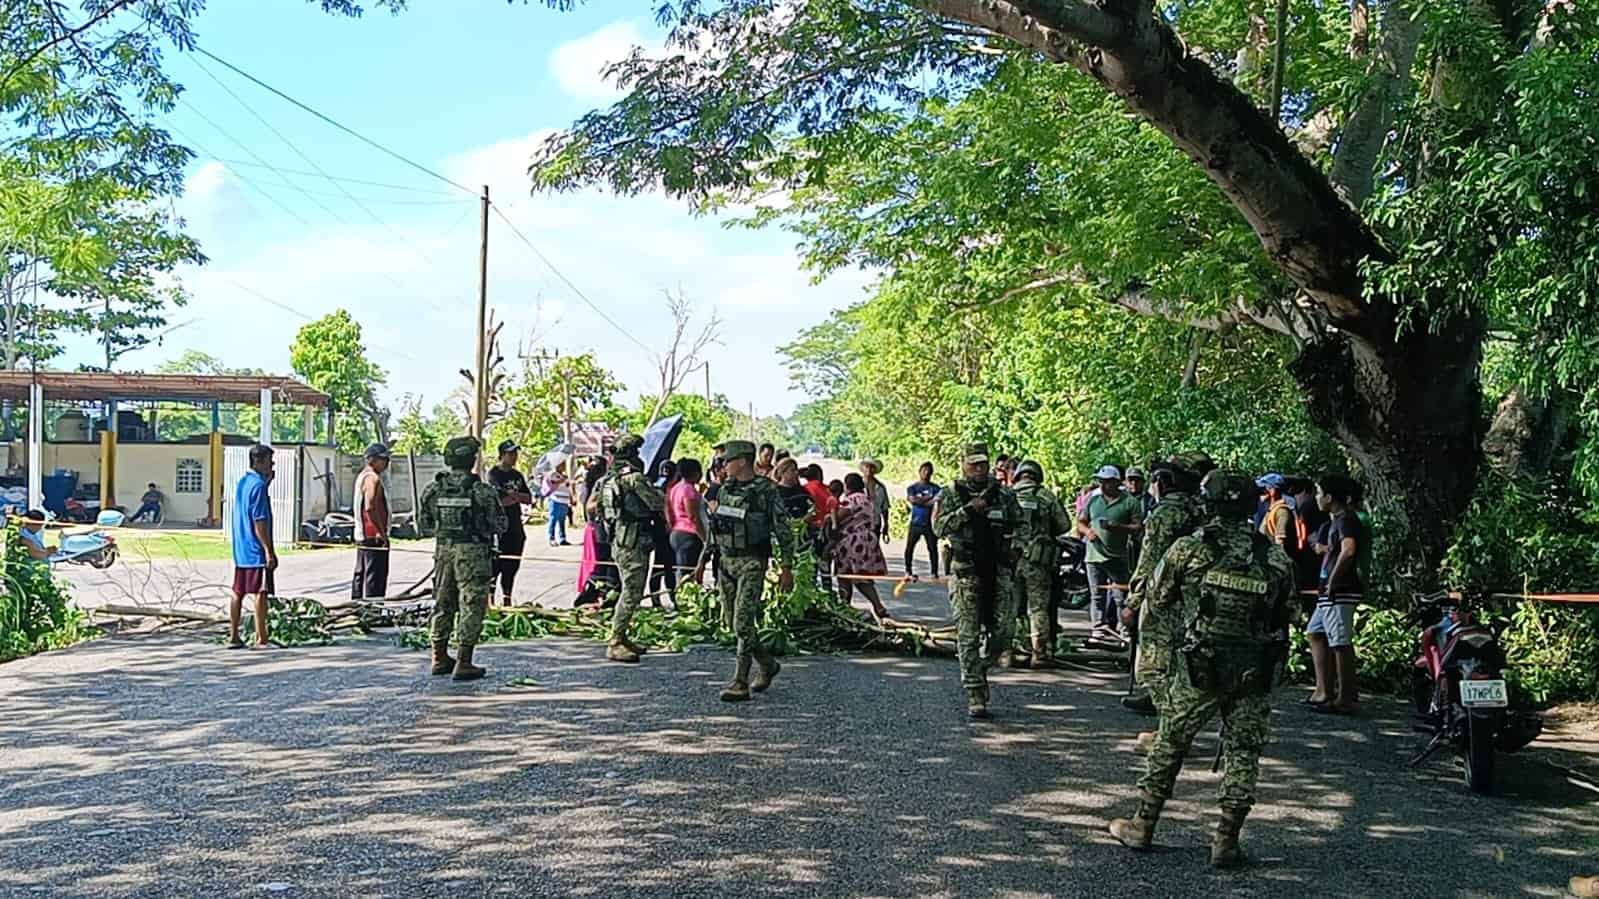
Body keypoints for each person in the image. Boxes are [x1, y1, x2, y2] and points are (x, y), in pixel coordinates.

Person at [1108, 470, 1294, 868]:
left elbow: (1159, 597)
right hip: (1253, 670)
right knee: (1243, 751)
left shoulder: (1188, 549)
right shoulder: (1274, 558)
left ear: (1208, 504)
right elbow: (1286, 613)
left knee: (1170, 742)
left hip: (1200, 667)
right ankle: (1226, 839)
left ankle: (1143, 825)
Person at [933, 442, 1022, 719]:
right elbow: (938, 527)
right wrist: (967, 511)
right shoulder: (950, 494)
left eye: (983, 464)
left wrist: (1017, 549)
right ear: (963, 465)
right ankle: (974, 691)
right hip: (966, 570)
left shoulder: (1004, 494)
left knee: (1005, 631)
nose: (979, 469)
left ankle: (981, 667)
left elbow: (1021, 524)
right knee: (967, 635)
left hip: (997, 569)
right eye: (973, 464)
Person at [1121, 457, 1209, 737]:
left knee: (1154, 667)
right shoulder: (1204, 510)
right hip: (1197, 599)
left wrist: (1133, 602)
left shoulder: (1166, 513)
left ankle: (1169, 733)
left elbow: (1150, 559)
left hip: (1165, 597)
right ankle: (1169, 720)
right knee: (1182, 664)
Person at [706, 440, 796, 702]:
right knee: (734, 623)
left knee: (743, 622)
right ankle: (767, 664)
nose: (723, 465)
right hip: (726, 561)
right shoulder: (725, 489)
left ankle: (740, 681)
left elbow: (783, 529)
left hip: (752, 561)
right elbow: (716, 528)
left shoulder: (766, 490)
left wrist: (786, 567)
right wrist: (703, 561)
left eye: (728, 460)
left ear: (743, 461)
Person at [419, 436, 507, 681]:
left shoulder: (433, 489)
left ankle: (438, 657)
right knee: (471, 603)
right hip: (473, 554)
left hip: (443, 552)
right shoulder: (482, 491)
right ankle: (464, 662)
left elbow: (424, 524)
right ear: (472, 459)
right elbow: (500, 525)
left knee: (443, 601)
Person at [595, 435, 666, 663]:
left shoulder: (608, 480)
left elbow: (595, 508)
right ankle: (615, 641)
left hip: (619, 538)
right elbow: (657, 503)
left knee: (628, 589)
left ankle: (622, 637)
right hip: (634, 540)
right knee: (632, 592)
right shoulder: (635, 479)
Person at [1307, 473, 1364, 714]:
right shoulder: (1336, 521)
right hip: (1329, 590)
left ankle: (1345, 698)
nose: (1317, 498)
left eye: (1320, 493)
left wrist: (1333, 580)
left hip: (1340, 589)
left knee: (1340, 642)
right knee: (1315, 632)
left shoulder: (1346, 519)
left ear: (1330, 497)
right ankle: (1323, 690)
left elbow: (1348, 550)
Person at [1010, 459, 1072, 668]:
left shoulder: (1007, 495)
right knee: (1038, 608)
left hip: (1010, 560)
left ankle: (1008, 651)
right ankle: (1039, 653)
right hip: (1037, 562)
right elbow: (1064, 525)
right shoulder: (1046, 496)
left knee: (1010, 607)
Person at [1079, 464, 1142, 642]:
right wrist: (1087, 532)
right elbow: (1081, 521)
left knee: (1120, 596)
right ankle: (1098, 629)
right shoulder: (1093, 500)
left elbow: (1138, 527)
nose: (1104, 485)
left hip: (1117, 556)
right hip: (1094, 556)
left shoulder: (1130, 502)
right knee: (1096, 595)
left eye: (1107, 481)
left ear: (1116, 482)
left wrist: (1119, 527)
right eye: (1101, 481)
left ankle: (1123, 630)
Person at [229, 444, 277, 650]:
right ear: (259, 462)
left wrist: (267, 483)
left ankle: (233, 635)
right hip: (255, 549)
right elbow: (260, 521)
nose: (271, 466)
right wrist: (268, 551)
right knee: (260, 592)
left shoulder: (244, 482)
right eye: (269, 462)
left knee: (238, 591)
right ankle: (261, 638)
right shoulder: (258, 487)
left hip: (241, 548)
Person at [833, 473, 890, 621]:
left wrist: (830, 515)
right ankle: (851, 606)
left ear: (847, 486)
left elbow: (839, 516)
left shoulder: (852, 499)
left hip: (852, 542)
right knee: (853, 575)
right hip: (866, 539)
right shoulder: (866, 499)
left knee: (853, 576)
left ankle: (873, 606)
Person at [487, 442, 533, 606]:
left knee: (512, 563)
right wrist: (514, 497)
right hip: (499, 527)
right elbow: (499, 500)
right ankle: (490, 600)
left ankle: (507, 598)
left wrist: (515, 496)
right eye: (510, 454)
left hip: (515, 525)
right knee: (495, 564)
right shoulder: (493, 474)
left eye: (515, 453)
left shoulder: (517, 475)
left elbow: (528, 498)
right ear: (502, 455)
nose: (514, 457)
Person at [351, 443, 391, 600]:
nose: (386, 463)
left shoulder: (363, 476)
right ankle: (372, 610)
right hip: (373, 536)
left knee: (362, 574)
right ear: (372, 460)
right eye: (383, 459)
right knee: (375, 578)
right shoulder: (371, 478)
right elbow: (370, 508)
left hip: (364, 536)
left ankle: (357, 607)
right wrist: (381, 533)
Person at [667, 458, 706, 587]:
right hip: (689, 534)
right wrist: (704, 537)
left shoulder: (675, 488)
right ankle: (684, 594)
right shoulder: (688, 490)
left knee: (682, 567)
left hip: (677, 531)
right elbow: (693, 516)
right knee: (687, 571)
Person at [801, 464, 838, 594]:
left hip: (809, 530)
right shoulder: (828, 490)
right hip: (826, 532)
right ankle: (827, 591)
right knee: (825, 563)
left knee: (810, 565)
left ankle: (811, 592)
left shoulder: (804, 490)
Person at [904, 462, 941, 579]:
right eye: (924, 470)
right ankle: (908, 570)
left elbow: (936, 502)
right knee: (910, 547)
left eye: (929, 471)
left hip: (930, 523)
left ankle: (934, 572)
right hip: (916, 522)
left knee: (932, 548)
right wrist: (928, 499)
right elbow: (913, 500)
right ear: (919, 472)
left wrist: (922, 500)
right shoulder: (912, 488)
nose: (926, 473)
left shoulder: (936, 488)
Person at [1256, 473, 1302, 557]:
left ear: (1273, 490)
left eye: (1266, 488)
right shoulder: (1272, 507)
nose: (1263, 491)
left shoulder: (1282, 512)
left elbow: (1280, 543)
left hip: (1274, 558)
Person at [860, 458, 890, 542]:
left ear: (875, 470)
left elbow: (885, 508)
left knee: (874, 546)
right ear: (863, 468)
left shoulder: (880, 487)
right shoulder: (857, 485)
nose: (869, 469)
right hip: (860, 523)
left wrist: (886, 524)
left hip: (876, 523)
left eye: (872, 467)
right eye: (867, 466)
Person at [544, 459, 573, 547]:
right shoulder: (552, 474)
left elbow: (568, 488)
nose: (563, 466)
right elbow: (553, 483)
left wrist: (571, 498)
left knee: (562, 520)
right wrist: (562, 480)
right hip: (555, 500)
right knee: (553, 519)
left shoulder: (564, 476)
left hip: (564, 500)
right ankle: (552, 538)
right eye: (561, 464)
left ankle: (562, 538)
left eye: (564, 464)